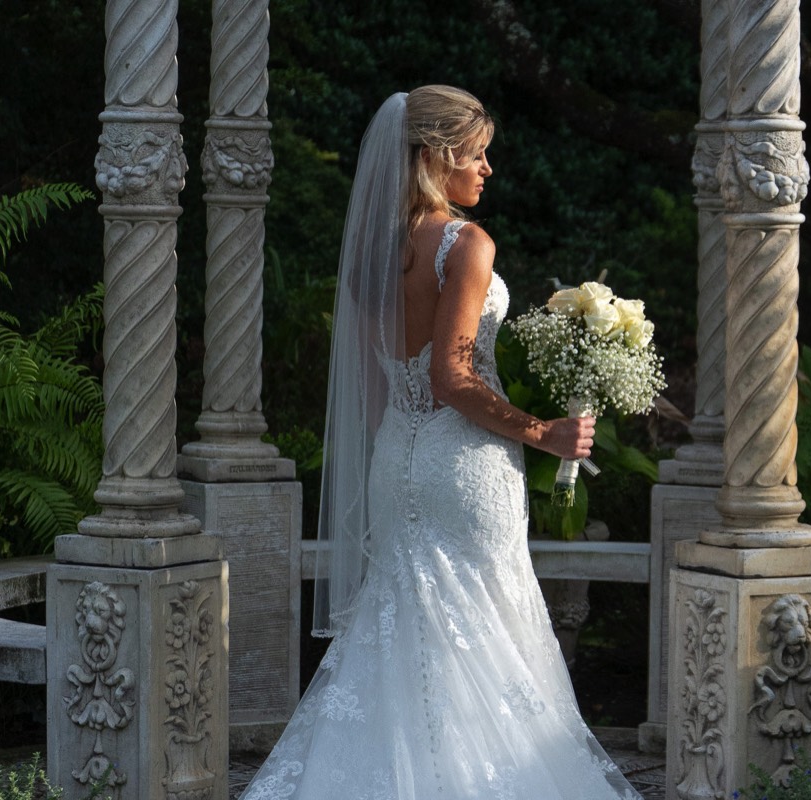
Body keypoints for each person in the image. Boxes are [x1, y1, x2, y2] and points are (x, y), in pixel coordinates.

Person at [240, 86, 642, 800]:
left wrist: (405, 452)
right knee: (484, 630)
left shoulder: (372, 253)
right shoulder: (465, 243)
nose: (487, 169)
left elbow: (375, 390)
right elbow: (452, 377)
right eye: (478, 154)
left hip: (397, 459)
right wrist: (546, 433)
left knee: (405, 635)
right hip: (465, 466)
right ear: (437, 154)